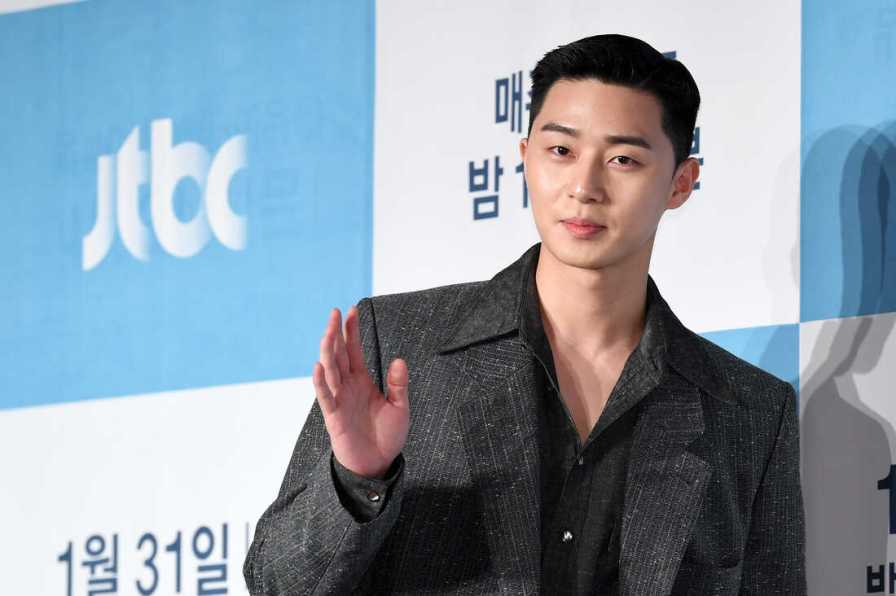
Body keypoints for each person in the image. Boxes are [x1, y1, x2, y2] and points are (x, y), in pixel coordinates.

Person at [243, 33, 806, 595]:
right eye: (561, 151)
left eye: (623, 160)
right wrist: (358, 481)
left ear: (680, 183)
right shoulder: (400, 345)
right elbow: (275, 584)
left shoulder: (750, 412)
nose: (584, 187)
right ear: (525, 157)